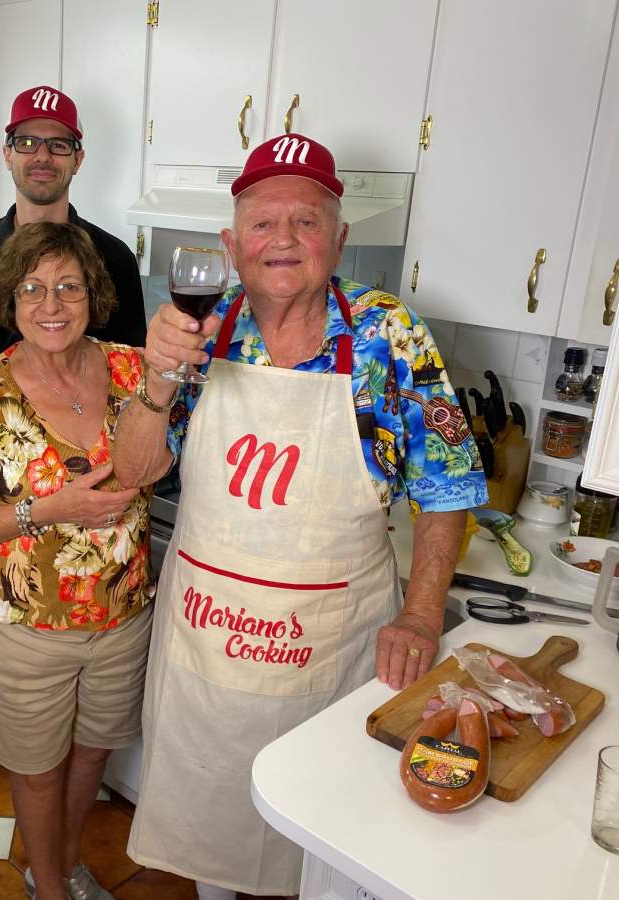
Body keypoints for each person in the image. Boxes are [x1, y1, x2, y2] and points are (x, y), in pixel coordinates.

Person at [113, 133, 488, 898]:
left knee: (325, 841)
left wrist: (419, 617)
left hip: (331, 648)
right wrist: (155, 376)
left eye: (306, 221)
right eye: (262, 222)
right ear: (231, 243)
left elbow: (446, 488)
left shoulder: (388, 336)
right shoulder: (202, 331)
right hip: (208, 649)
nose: (282, 240)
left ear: (339, 238)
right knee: (208, 832)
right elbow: (136, 471)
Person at [0, 84, 148, 788]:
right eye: (27, 141)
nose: (41, 155)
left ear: (78, 158)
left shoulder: (112, 254)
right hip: (1, 485)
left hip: (98, 490)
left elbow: (137, 373)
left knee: (92, 723)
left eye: (58, 143)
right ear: (7, 152)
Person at [0, 221, 154, 900]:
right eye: (32, 289)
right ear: (11, 299)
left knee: (92, 752)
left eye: (68, 286)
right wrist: (48, 509)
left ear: (93, 293)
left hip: (122, 616)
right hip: (25, 626)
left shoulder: (135, 369)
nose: (52, 304)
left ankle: (57, 863)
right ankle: (53, 890)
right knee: (37, 770)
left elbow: (163, 460)